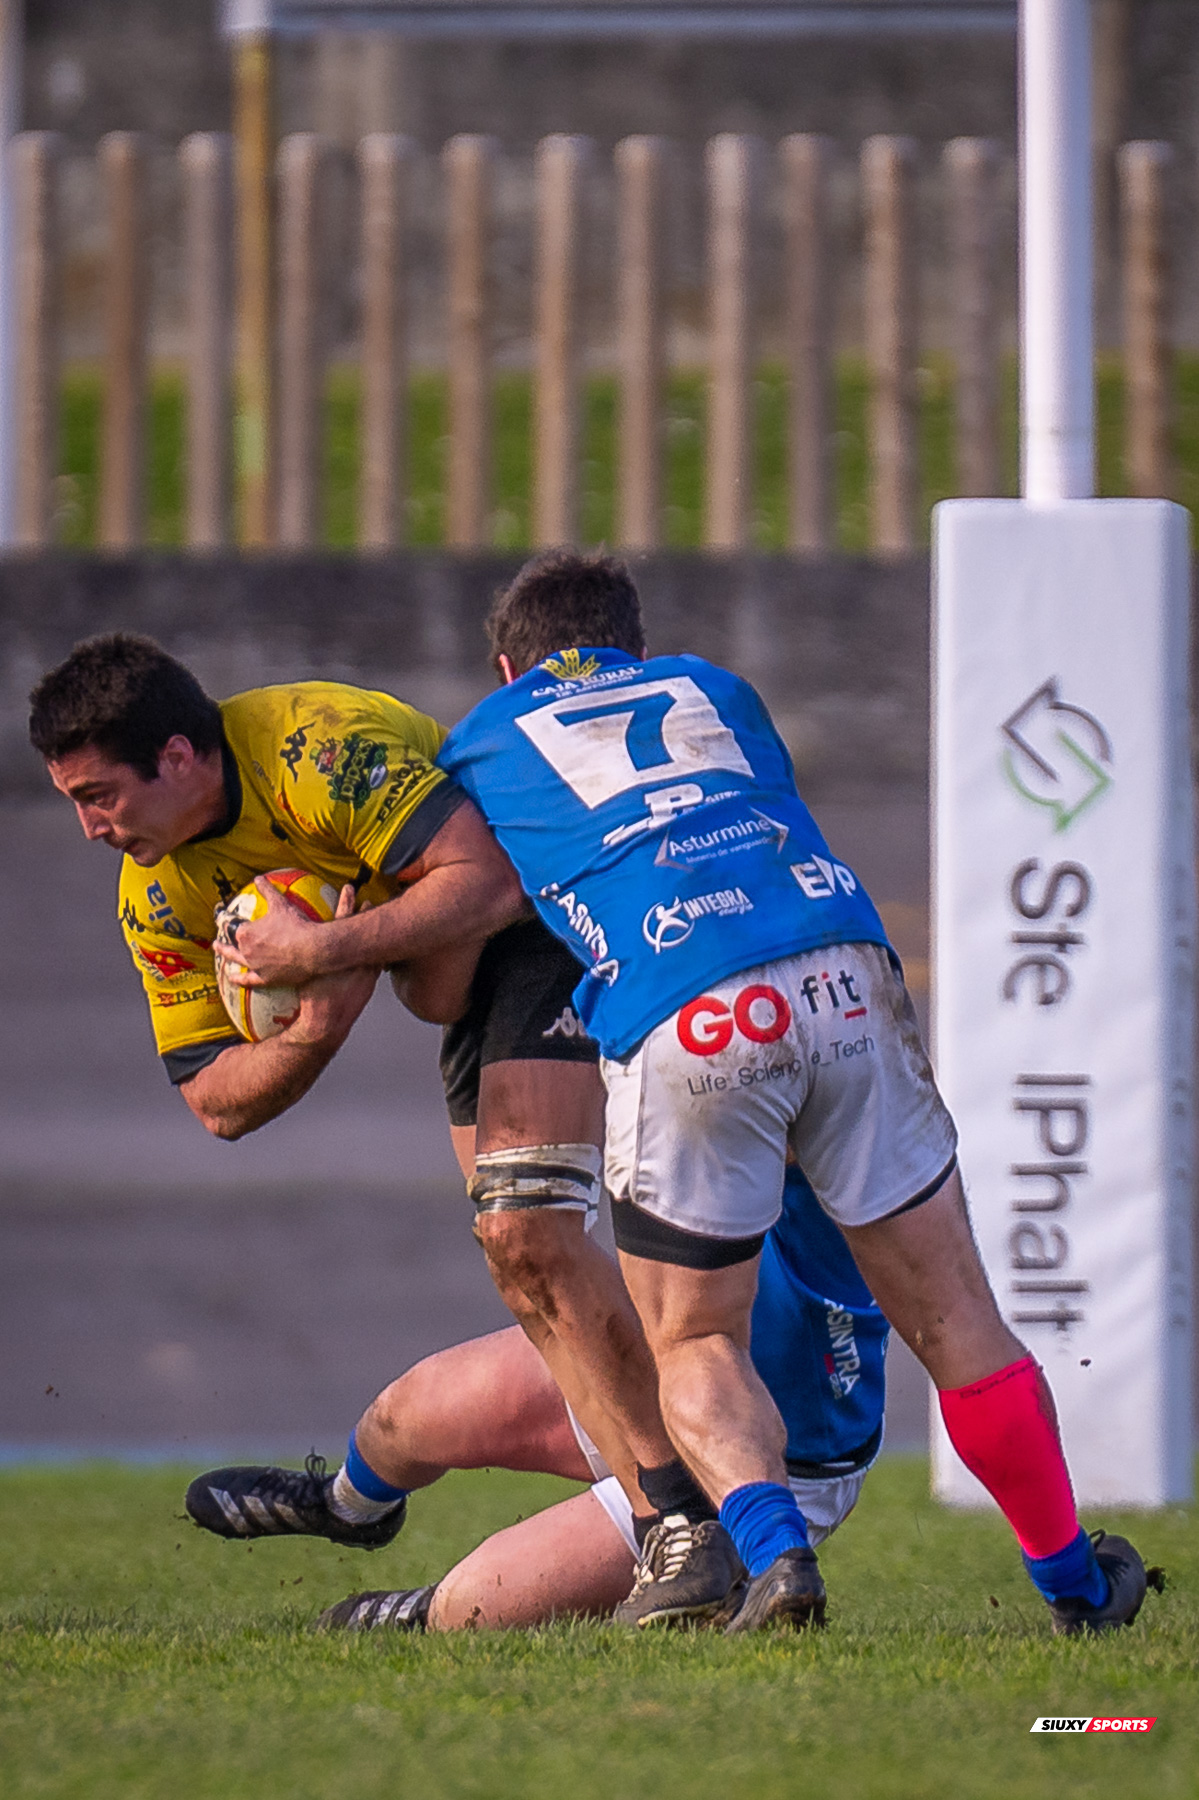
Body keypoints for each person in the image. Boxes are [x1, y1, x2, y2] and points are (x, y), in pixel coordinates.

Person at [218, 551, 1150, 1638]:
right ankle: (1073, 1589)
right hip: (840, 967)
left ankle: (771, 1559)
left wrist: (317, 950)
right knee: (963, 1330)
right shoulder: (719, 692)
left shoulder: (481, 741)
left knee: (692, 1345)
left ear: (506, 664)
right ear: (638, 651)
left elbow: (444, 976)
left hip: (682, 1003)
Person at [26, 636, 716, 1590]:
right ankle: (660, 1525)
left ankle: (688, 1517)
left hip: (547, 921)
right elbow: (213, 1101)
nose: (91, 827)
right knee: (515, 1258)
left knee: (531, 1228)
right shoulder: (155, 892)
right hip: (462, 982)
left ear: (178, 756)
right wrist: (310, 1032)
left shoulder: (317, 750)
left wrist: (319, 953)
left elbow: (488, 880)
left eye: (98, 795)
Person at [184, 1166, 889, 1635]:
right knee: (410, 1411)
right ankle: (347, 1506)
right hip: (651, 1358)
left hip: (772, 1452)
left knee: (477, 1604)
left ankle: (414, 1616)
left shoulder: (828, 1091)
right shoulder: (695, 1023)